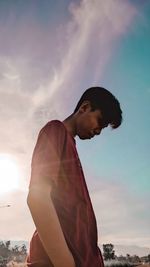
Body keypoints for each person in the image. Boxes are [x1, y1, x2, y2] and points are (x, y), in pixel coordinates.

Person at [26, 86, 122, 267]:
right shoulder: (55, 130)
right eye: (99, 122)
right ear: (84, 107)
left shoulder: (71, 146)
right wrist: (65, 262)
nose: (99, 131)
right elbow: (37, 199)